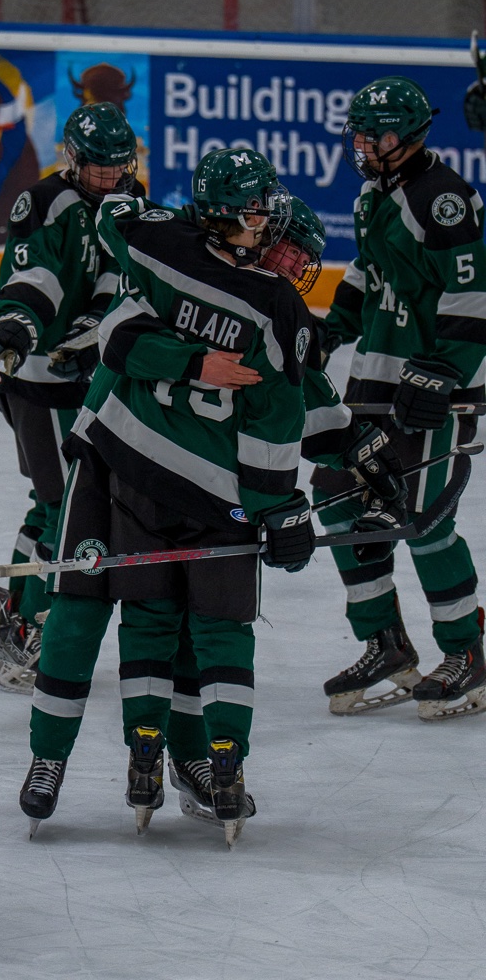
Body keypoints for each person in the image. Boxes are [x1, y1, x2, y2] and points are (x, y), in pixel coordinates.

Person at [19, 148, 317, 845]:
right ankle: (48, 758)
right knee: (80, 610)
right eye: (257, 215)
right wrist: (278, 503)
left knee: (173, 617)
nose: (268, 230)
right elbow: (121, 339)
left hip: (163, 474)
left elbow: (121, 319)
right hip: (110, 460)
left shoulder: (161, 247)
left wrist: (345, 462)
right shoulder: (268, 304)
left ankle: (182, 755)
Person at [165, 197, 407, 821]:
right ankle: (180, 754)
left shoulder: (255, 293)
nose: (300, 265)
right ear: (260, 236)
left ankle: (198, 758)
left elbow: (302, 395)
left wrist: (357, 445)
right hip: (185, 483)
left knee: (207, 625)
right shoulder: (244, 297)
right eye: (293, 251)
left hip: (216, 488)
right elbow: (284, 406)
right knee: (180, 626)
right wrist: (286, 501)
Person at [314, 76, 486, 719]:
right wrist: (331, 328)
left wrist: (443, 371)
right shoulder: (373, 194)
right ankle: (384, 643)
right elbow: (369, 272)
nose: (363, 145)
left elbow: (473, 294)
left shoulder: (443, 199)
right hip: (374, 380)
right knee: (338, 502)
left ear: (410, 136)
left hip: (433, 387)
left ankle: (466, 652)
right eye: (359, 134)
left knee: (423, 516)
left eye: (376, 135)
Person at [0, 101, 139, 693]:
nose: (110, 177)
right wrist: (16, 326)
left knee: (55, 502)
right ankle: (28, 626)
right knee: (64, 505)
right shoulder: (44, 202)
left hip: (88, 380)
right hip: (38, 379)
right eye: (98, 168)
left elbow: (122, 275)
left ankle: (20, 621)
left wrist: (98, 330)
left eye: (119, 166)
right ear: (73, 159)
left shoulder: (129, 199)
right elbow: (35, 276)